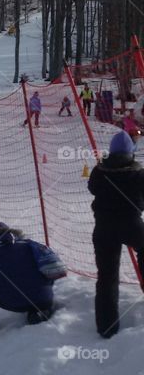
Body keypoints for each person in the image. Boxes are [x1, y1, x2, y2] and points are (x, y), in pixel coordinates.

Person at [0, 222, 64, 349]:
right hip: (43, 297)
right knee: (35, 288)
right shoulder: (30, 244)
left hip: (13, 301)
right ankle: (39, 312)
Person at [88, 130, 144, 338]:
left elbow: (92, 188)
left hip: (104, 228)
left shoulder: (99, 171)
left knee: (107, 276)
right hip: (132, 224)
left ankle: (107, 326)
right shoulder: (138, 172)